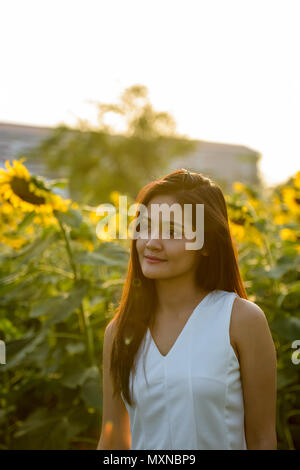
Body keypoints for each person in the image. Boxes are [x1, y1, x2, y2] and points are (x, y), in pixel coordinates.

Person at [97, 168, 277, 450]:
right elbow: (113, 441)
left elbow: (262, 439)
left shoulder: (242, 321)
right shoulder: (119, 331)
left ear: (206, 244)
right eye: (145, 227)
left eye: (171, 231)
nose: (152, 242)